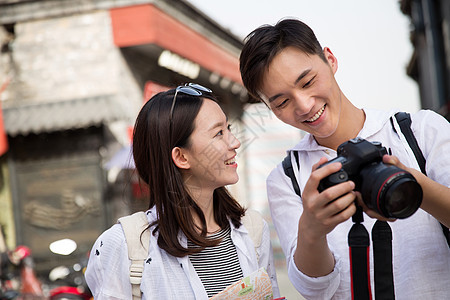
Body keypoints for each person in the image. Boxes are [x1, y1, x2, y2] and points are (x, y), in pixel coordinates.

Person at [239, 18, 450, 299]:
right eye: (281, 102)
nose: (304, 105)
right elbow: (315, 290)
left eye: (308, 81)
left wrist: (413, 188)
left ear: (330, 59)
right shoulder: (288, 179)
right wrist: (312, 229)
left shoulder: (419, 132)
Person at [84, 83, 279, 299]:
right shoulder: (124, 246)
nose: (234, 142)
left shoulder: (252, 230)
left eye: (229, 129)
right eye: (218, 134)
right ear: (181, 157)